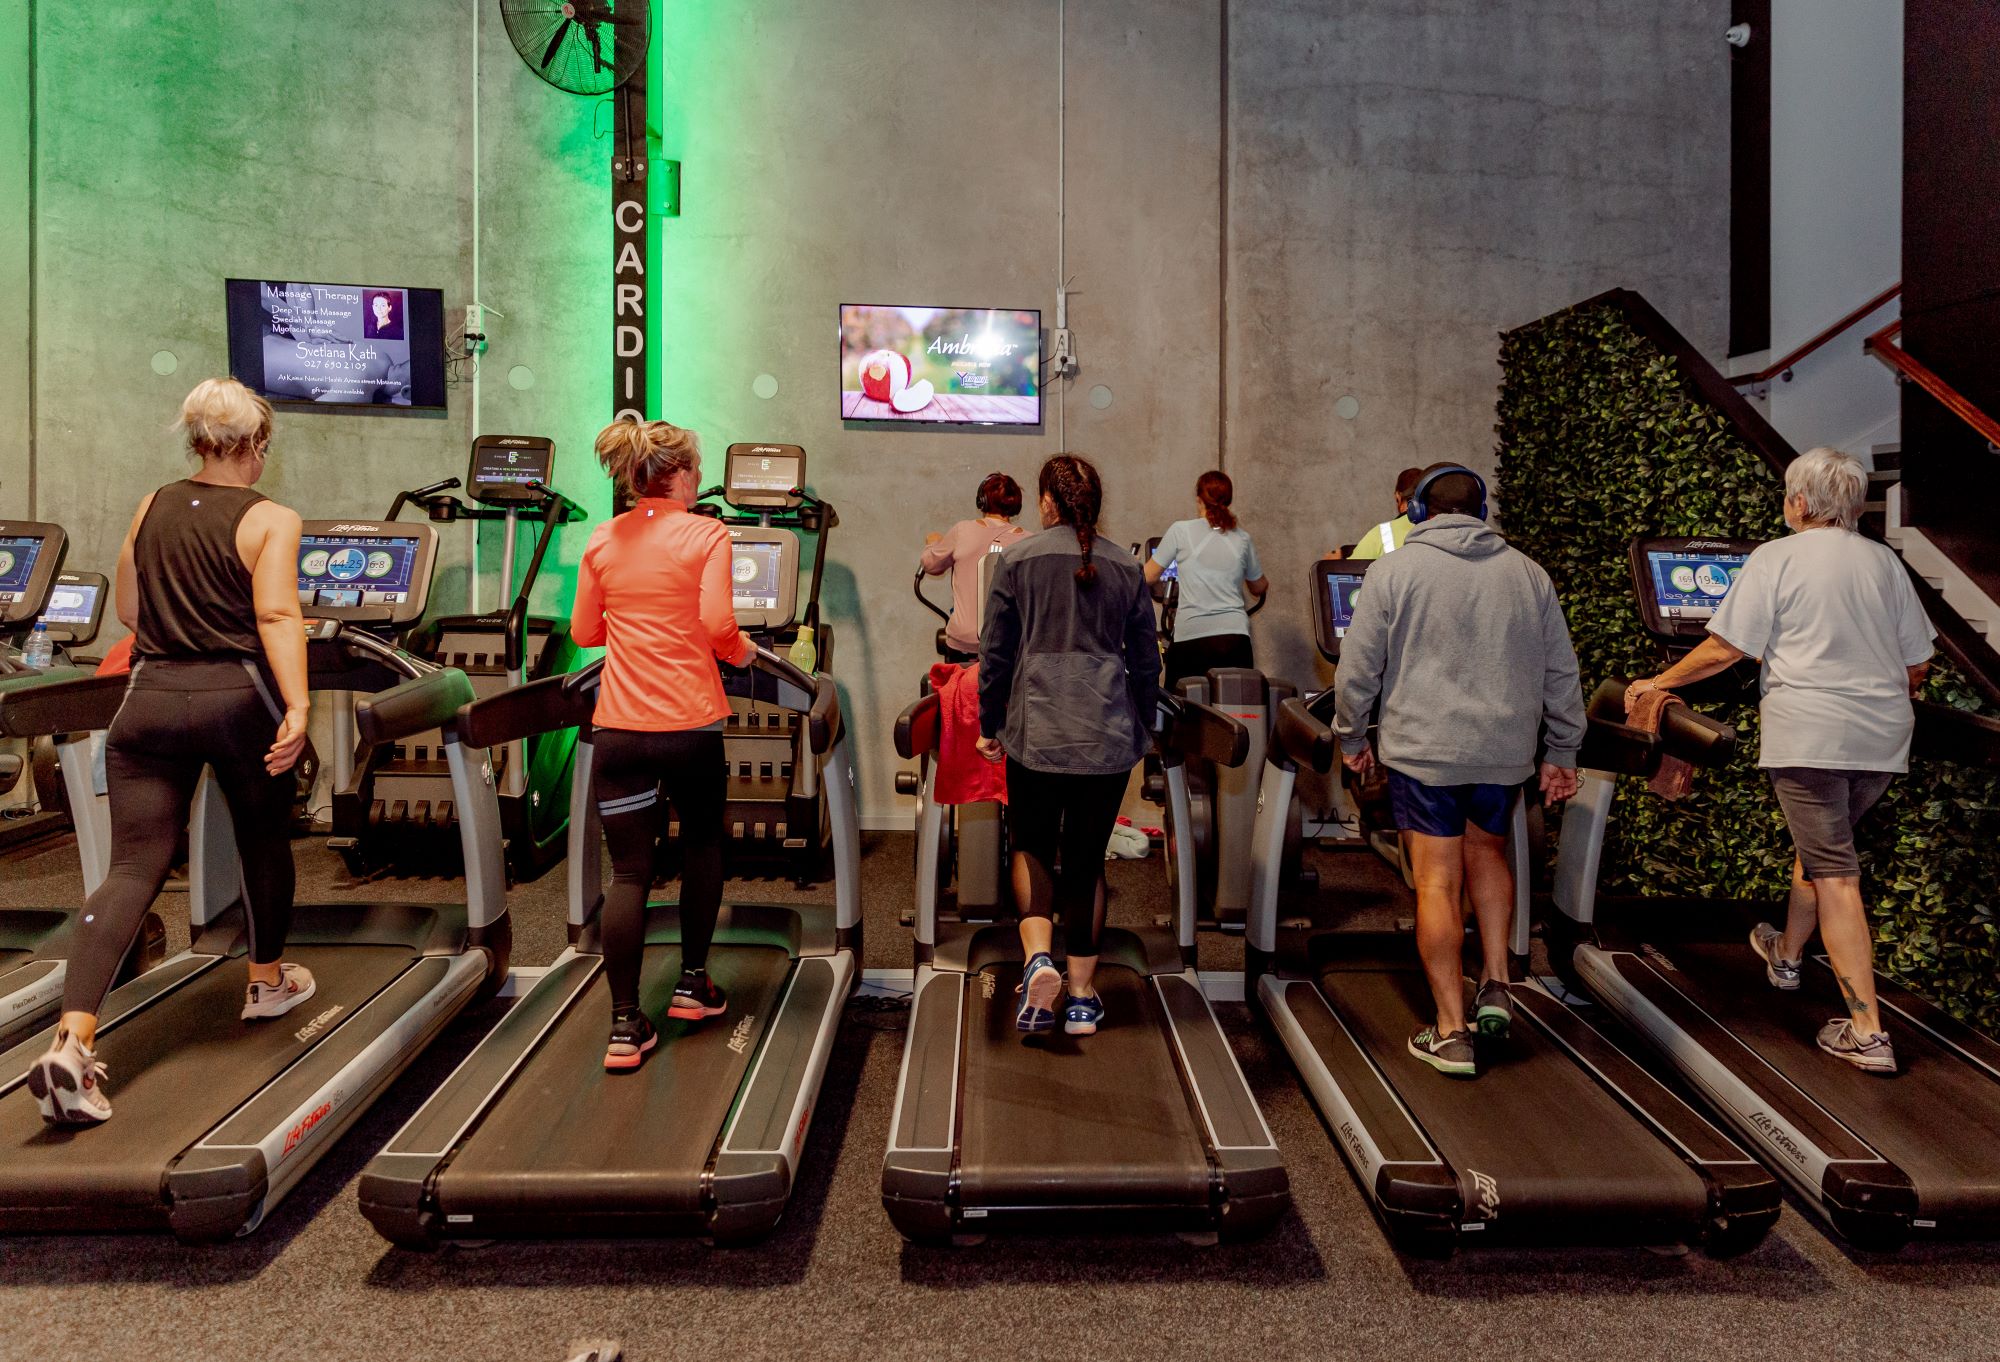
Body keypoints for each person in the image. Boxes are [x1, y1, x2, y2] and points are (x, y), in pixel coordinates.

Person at [27, 378, 312, 1125]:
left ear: (194, 441)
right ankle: (267, 979)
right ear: (256, 446)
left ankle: (70, 1040)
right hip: (236, 699)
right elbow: (278, 613)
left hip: (148, 700)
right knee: (262, 836)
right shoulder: (271, 517)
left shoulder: (153, 503)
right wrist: (301, 704)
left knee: (131, 869)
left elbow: (129, 607)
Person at [1626, 447, 1934, 1074]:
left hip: (1812, 738)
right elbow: (1917, 667)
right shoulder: (1884, 562)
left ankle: (1867, 1031)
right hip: (1882, 739)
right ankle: (1786, 954)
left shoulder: (1777, 556)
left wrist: (1658, 683)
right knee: (1824, 850)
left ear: (1798, 501)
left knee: (1837, 875)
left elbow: (1724, 649)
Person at [1333, 462, 1584, 1078]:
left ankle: (1450, 1031)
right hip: (1502, 751)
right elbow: (1561, 673)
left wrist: (1351, 735)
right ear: (1483, 512)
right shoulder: (1530, 576)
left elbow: (1358, 671)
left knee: (1439, 882)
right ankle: (1497, 981)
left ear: (1417, 511)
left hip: (1425, 751)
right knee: (1489, 854)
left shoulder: (1394, 570)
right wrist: (1562, 751)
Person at [572, 417, 758, 1072]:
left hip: (619, 731)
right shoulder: (707, 532)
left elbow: (585, 630)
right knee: (703, 845)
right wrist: (743, 651)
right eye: (697, 469)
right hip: (690, 727)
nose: (700, 479)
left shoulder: (604, 536)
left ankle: (624, 1026)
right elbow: (716, 625)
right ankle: (692, 984)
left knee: (628, 873)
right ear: (679, 476)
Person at [979, 453, 1159, 1037]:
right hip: (1105, 732)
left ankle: (1037, 959)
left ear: (1048, 503)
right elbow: (1146, 662)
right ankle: (1081, 996)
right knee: (1087, 859)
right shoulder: (1127, 568)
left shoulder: (1017, 559)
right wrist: (1148, 724)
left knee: (1031, 846)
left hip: (1037, 731)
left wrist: (988, 723)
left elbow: (996, 655)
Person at [1145, 469, 1269, 688]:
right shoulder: (1242, 538)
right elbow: (1258, 587)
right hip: (1234, 639)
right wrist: (1261, 582)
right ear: (1228, 501)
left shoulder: (1180, 531)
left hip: (1191, 639)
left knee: (1183, 710)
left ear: (1198, 499)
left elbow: (1148, 575)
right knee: (1234, 708)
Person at [920, 472, 1027, 658]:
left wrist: (933, 543)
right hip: (1009, 645)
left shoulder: (963, 530)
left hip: (963, 642)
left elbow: (931, 565)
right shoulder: (1028, 541)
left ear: (982, 501)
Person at [1328, 466, 1423, 561]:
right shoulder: (1434, 527)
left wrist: (1334, 562)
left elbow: (1350, 570)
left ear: (1398, 497)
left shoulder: (1382, 534)